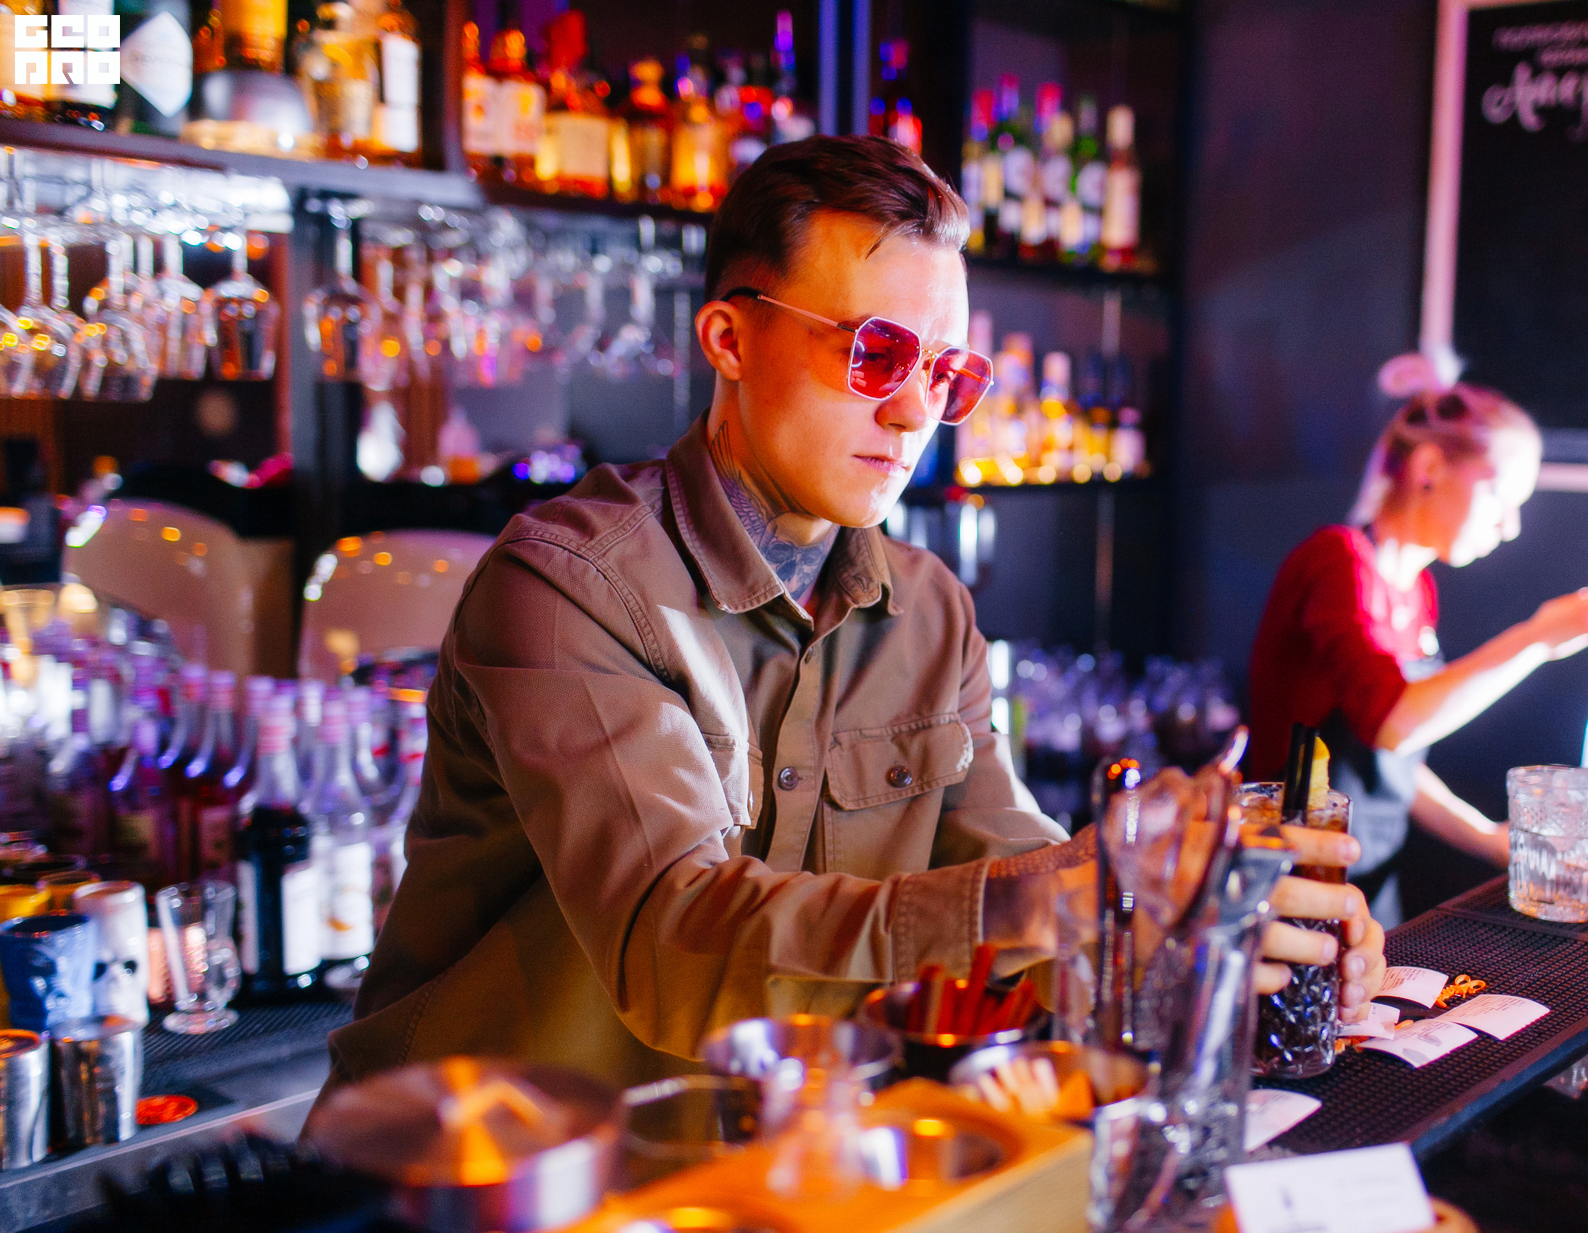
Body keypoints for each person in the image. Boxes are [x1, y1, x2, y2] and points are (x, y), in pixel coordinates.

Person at [323, 136, 1386, 1093]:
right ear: (730, 338)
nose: (916, 410)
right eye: (875, 352)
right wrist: (1060, 896)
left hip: (776, 1181)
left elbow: (1019, 906)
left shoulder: (929, 611)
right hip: (480, 1184)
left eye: (946, 372)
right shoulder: (569, 585)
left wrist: (1220, 940)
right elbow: (674, 942)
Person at [1245, 352, 1588, 927]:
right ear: (1429, 466)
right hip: (1291, 886)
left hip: (1365, 881)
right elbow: (1394, 722)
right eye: (1501, 497)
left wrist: (1489, 839)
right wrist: (1537, 639)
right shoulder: (1337, 561)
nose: (1510, 527)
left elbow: (1390, 762)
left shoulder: (1416, 589)